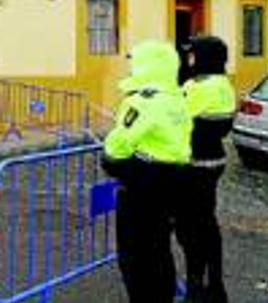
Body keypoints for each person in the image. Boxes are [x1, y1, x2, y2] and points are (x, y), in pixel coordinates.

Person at [101, 40, 193, 303]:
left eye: (135, 63)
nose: (131, 68)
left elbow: (118, 147)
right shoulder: (177, 98)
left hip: (143, 183)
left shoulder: (142, 101)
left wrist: (109, 158)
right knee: (159, 249)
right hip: (174, 180)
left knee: (134, 255)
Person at [175, 36, 237, 303]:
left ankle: (196, 285)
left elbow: (176, 115)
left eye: (193, 55)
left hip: (193, 166)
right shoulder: (223, 83)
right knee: (207, 224)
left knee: (190, 229)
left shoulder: (200, 87)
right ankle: (215, 283)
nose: (189, 59)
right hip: (214, 161)